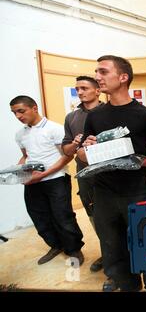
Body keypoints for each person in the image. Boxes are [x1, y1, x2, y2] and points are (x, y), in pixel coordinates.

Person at [76, 55, 146, 291]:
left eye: (103, 72)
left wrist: (143, 162)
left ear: (123, 78)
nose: (97, 77)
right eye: (96, 72)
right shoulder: (95, 115)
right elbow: (82, 154)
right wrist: (85, 150)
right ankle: (126, 285)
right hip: (103, 193)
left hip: (137, 192)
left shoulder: (144, 115)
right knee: (112, 247)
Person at [10, 95, 84, 266]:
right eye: (14, 113)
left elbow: (67, 157)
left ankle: (73, 249)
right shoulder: (20, 134)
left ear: (34, 108)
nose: (18, 116)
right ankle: (55, 245)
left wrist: (43, 175)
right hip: (33, 182)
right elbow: (25, 156)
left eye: (21, 111)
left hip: (55, 179)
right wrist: (19, 172)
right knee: (39, 216)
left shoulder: (55, 129)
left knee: (62, 216)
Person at [62, 76, 104, 273]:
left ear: (97, 90)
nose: (79, 92)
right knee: (94, 215)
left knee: (116, 217)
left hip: (109, 174)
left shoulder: (109, 113)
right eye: (77, 89)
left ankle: (125, 253)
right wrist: (75, 144)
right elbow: (67, 149)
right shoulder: (72, 118)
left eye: (84, 88)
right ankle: (108, 253)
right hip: (86, 175)